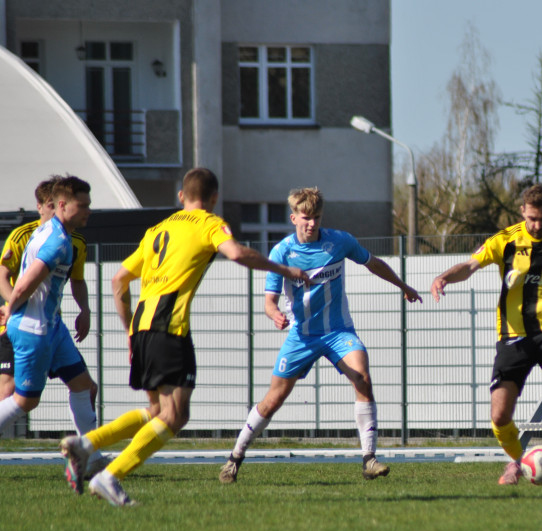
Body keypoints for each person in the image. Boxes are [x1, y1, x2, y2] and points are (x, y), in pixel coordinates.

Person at [60, 168, 312, 506]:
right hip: (170, 328)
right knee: (176, 416)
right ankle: (109, 474)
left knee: (156, 411)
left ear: (181, 196)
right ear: (213, 199)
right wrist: (285, 270)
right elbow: (237, 254)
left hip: (144, 328)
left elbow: (118, 281)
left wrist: (130, 332)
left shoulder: (157, 229)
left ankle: (87, 444)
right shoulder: (209, 223)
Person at [219, 187, 421, 484]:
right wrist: (274, 313)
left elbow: (373, 263)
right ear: (293, 218)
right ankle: (234, 458)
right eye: (306, 218)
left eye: (316, 217)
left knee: (362, 376)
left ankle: (369, 459)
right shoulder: (282, 252)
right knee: (273, 400)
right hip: (302, 336)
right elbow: (268, 300)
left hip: (338, 331)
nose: (312, 223)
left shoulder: (339, 242)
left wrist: (402, 285)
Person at [430, 184, 542, 485]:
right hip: (513, 335)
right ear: (523, 211)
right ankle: (517, 461)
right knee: (499, 416)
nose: (538, 225)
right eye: (533, 218)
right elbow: (471, 265)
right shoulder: (506, 240)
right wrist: (445, 276)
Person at [0, 176, 105, 486]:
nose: (88, 211)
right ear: (62, 205)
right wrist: (12, 307)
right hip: (36, 330)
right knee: (24, 401)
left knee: (84, 387)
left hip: (53, 327)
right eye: (82, 205)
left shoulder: (57, 232)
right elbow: (25, 281)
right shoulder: (57, 241)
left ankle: (91, 458)